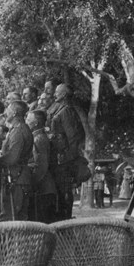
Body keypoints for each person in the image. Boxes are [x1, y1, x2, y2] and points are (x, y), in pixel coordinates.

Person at [48, 84, 84, 220]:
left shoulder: (66, 111)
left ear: (63, 95)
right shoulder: (60, 110)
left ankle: (66, 219)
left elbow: (73, 137)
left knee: (64, 192)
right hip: (58, 157)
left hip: (63, 160)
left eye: (57, 92)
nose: (54, 94)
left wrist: (67, 159)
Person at [0, 100, 33, 220]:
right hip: (18, 178)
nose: (6, 112)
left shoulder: (18, 131)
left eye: (8, 109)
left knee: (11, 217)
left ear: (14, 113)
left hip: (15, 179)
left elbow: (12, 157)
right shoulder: (19, 129)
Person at [27, 109, 56, 223]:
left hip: (43, 189)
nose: (26, 122)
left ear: (36, 123)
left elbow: (41, 165)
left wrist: (33, 183)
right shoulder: (39, 137)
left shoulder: (38, 139)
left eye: (28, 120)